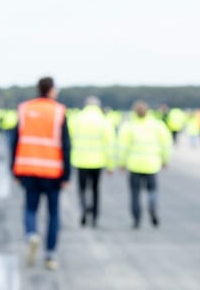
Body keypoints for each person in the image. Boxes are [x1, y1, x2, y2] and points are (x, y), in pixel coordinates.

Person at [11, 76, 71, 270]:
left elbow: (14, 141)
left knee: (30, 208)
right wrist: (67, 174)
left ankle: (31, 234)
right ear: (51, 90)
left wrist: (14, 168)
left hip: (28, 168)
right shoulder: (59, 111)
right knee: (53, 214)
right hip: (52, 170)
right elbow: (66, 145)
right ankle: (50, 255)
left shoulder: (24, 109)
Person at [118, 100, 171, 229]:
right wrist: (165, 159)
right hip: (151, 164)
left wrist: (121, 163)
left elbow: (122, 147)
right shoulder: (157, 125)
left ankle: (136, 218)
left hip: (134, 165)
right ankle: (152, 209)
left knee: (135, 194)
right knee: (152, 191)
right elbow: (166, 143)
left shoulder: (129, 126)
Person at [70, 96, 115, 227]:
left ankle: (84, 209)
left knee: (82, 189)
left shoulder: (77, 118)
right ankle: (95, 217)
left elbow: (70, 139)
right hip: (98, 161)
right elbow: (110, 144)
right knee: (95, 190)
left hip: (80, 160)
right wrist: (110, 164)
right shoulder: (104, 120)